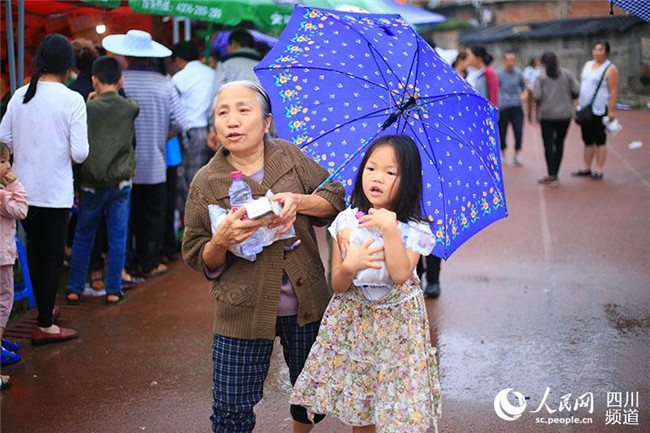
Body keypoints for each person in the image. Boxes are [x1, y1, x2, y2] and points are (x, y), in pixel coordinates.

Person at [182, 80, 346, 433]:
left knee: (311, 399)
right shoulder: (207, 181)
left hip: (306, 302)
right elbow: (196, 252)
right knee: (230, 411)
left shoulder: (288, 156)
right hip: (241, 310)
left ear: (266, 121)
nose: (232, 121)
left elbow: (334, 196)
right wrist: (220, 242)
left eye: (243, 110)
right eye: (222, 113)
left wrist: (299, 202)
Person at [290, 135, 441, 432]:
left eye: (390, 172)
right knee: (362, 400)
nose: (377, 177)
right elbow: (338, 283)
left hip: (397, 326)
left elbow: (400, 274)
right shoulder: (346, 221)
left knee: (392, 399)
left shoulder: (415, 228)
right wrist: (349, 266)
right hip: (356, 321)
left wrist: (390, 229)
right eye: (371, 168)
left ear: (408, 181)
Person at [0, 33, 89, 345]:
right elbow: (80, 153)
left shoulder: (20, 95)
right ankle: (45, 325)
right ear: (68, 65)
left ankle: (46, 309)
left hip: (22, 191)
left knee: (37, 253)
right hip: (54, 190)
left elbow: (4, 140)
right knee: (50, 257)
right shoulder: (72, 100)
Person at [102, 30, 188, 278]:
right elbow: (180, 123)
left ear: (126, 55)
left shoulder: (117, 82)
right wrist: (159, 136)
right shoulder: (165, 83)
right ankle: (149, 263)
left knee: (125, 216)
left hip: (121, 163)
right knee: (152, 214)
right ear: (150, 55)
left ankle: (126, 264)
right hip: (155, 162)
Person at [65, 56, 139, 306]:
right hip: (120, 183)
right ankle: (113, 289)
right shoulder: (130, 108)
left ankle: (74, 288)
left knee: (83, 235)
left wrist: (90, 102)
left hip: (91, 183)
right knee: (118, 236)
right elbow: (131, 106)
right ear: (120, 81)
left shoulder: (87, 109)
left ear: (94, 81)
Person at [170, 41, 216, 208]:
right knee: (211, 177)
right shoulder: (212, 73)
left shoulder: (179, 78)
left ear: (178, 59)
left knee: (191, 178)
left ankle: (192, 216)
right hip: (213, 131)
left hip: (190, 132)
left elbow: (174, 110)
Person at [0, 142, 28, 387]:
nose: (7, 166)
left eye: (8, 160)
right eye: (2, 162)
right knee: (4, 298)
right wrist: (15, 184)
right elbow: (20, 210)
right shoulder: (2, 195)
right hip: (1, 257)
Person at [208, 29, 263, 152]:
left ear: (234, 44)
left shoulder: (225, 63)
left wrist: (213, 125)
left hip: (232, 122)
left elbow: (216, 95)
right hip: (259, 122)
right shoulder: (264, 64)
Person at [572, 41, 619, 180]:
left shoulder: (610, 68)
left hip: (599, 108)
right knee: (587, 139)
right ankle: (586, 167)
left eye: (600, 50)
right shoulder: (588, 65)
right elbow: (583, 84)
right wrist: (578, 99)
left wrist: (611, 110)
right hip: (585, 107)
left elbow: (613, 90)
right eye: (595, 49)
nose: (597, 52)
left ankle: (599, 169)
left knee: (599, 139)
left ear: (606, 52)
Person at [533, 51, 580, 187]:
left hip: (547, 115)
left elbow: (537, 95)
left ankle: (551, 174)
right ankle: (555, 173)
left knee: (548, 145)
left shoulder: (541, 77)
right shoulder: (567, 74)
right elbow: (577, 90)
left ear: (542, 63)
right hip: (564, 115)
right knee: (559, 143)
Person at [497, 52, 526, 165]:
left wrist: (524, 95)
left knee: (518, 130)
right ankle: (503, 154)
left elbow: (524, 87)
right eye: (508, 60)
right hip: (503, 106)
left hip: (516, 106)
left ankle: (517, 154)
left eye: (513, 60)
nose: (511, 62)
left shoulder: (518, 73)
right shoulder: (499, 74)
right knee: (502, 131)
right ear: (504, 61)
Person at [522, 57, 542, 123]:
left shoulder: (538, 70)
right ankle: (529, 117)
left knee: (538, 103)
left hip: (538, 88)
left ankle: (538, 116)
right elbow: (526, 79)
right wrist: (529, 87)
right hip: (530, 88)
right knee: (530, 103)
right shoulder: (528, 69)